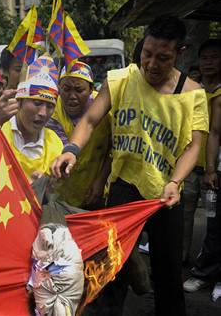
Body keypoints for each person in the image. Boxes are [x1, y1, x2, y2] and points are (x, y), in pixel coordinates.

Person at [51, 16, 208, 316]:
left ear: (181, 52)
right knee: (110, 271)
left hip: (166, 195)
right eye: (147, 54)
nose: (151, 64)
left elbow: (194, 146)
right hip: (124, 189)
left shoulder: (193, 94)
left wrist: (175, 182)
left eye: (163, 58)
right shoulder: (120, 79)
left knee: (168, 274)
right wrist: (71, 149)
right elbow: (90, 119)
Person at [0, 56, 62, 182]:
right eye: (37, 103)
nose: (43, 113)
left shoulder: (54, 142)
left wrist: (44, 186)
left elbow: (55, 192)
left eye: (50, 106)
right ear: (19, 101)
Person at [183, 39, 221, 297]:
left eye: (214, 57)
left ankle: (205, 271)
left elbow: (215, 132)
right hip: (188, 165)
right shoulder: (192, 89)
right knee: (182, 217)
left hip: (211, 169)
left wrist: (210, 168)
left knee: (213, 223)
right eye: (204, 57)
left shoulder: (219, 93)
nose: (208, 62)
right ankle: (180, 262)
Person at [47, 62, 111, 209]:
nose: (72, 96)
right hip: (59, 195)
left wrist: (101, 181)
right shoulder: (50, 111)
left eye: (79, 90)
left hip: (94, 192)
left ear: (90, 90)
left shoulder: (105, 109)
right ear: (58, 90)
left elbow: (113, 148)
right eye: (66, 89)